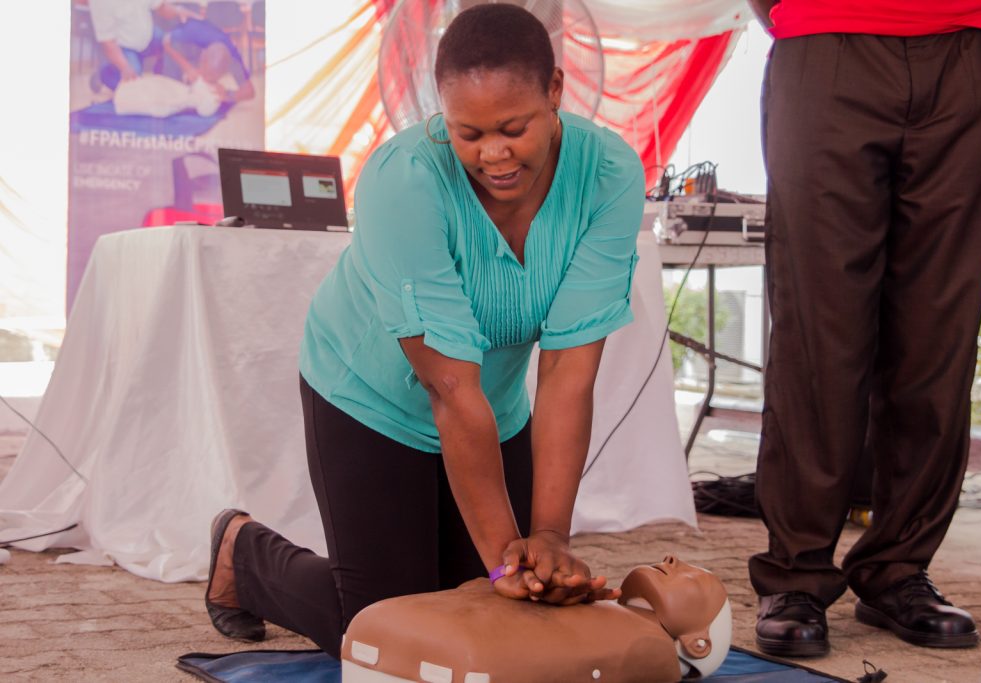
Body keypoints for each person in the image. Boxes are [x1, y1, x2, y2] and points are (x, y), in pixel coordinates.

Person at [202, 3, 645, 656]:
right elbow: (449, 386)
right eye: (468, 133)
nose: (494, 155)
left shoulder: (608, 174)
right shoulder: (403, 180)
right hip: (368, 396)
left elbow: (568, 369)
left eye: (514, 128)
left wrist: (548, 538)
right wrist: (507, 561)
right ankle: (244, 557)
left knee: (490, 616)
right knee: (389, 630)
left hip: (495, 409)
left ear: (555, 90)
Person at [746, 0, 981, 657]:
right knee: (818, 335)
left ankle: (897, 567)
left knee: (939, 335)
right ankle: (797, 571)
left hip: (966, 52)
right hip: (825, 43)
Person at [87, 0, 186, 91]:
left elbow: (161, 7)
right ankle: (105, 74)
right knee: (133, 86)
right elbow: (107, 42)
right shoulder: (100, 3)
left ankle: (161, 76)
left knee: (171, 41)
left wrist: (179, 11)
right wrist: (125, 67)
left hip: (148, 37)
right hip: (123, 48)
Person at [162, 18, 255, 104]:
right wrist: (188, 67)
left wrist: (227, 95)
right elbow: (166, 42)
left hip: (201, 45)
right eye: (205, 75)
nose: (206, 80)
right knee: (172, 92)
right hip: (180, 39)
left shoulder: (233, 57)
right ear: (202, 57)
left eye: (212, 79)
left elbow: (250, 92)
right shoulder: (190, 33)